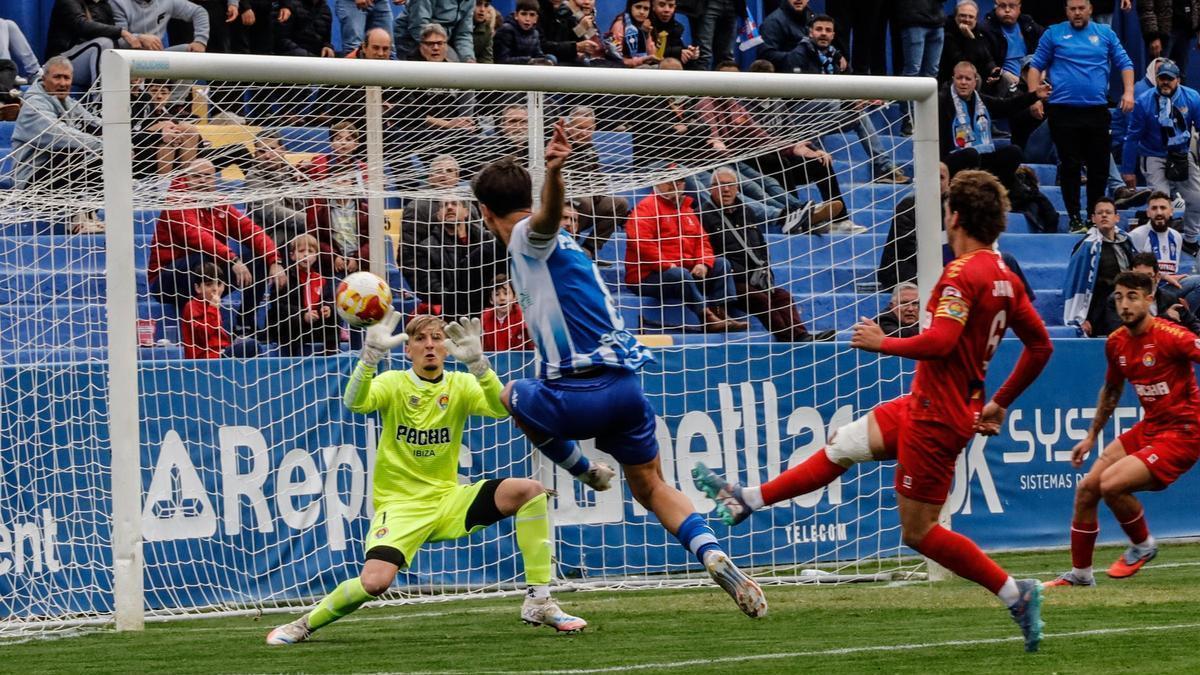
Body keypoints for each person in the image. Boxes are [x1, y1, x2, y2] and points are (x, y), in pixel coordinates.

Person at [693, 169, 1053, 651]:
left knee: (919, 533)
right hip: (936, 404)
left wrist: (884, 343)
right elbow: (1041, 346)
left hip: (936, 416)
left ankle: (1016, 593)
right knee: (844, 444)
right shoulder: (1006, 273)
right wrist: (998, 402)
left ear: (955, 216)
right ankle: (747, 500)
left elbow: (943, 341)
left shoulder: (963, 272)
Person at [471, 121, 768, 619]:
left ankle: (584, 471)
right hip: (625, 388)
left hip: (577, 393)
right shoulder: (567, 248)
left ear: (484, 212)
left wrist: (556, 173)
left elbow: (541, 220)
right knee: (650, 484)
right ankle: (712, 553)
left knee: (509, 397)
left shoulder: (528, 236)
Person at [266, 312, 587, 644]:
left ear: (448, 348)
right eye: (420, 339)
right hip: (401, 506)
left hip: (448, 500)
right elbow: (355, 403)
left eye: (437, 338)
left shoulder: (460, 384)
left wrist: (479, 365)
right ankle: (304, 624)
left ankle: (539, 600)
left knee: (529, 490)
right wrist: (368, 360)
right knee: (375, 583)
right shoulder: (393, 383)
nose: (430, 345)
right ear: (408, 350)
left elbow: (500, 408)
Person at [1046, 270, 1200, 588]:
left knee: (1110, 484)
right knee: (1088, 488)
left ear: (1149, 299)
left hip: (1184, 433)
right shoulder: (1116, 343)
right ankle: (1081, 575)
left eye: (1132, 296)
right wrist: (1090, 436)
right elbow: (1112, 391)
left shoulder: (1173, 336)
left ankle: (1143, 545)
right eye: (1119, 297)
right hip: (1150, 427)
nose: (1125, 304)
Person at [1027, 0, 1135, 233]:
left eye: (1081, 8)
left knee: (1098, 167)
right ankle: (1075, 218)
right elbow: (1035, 66)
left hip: (1096, 110)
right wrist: (1034, 98)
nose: (1077, 13)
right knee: (1070, 165)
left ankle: (1093, 217)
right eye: (1072, 9)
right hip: (1062, 111)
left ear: (1090, 9)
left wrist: (1128, 92)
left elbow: (1125, 63)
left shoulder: (1104, 33)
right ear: (1066, 10)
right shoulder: (1053, 33)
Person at [148, 159, 287, 335]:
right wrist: (233, 259)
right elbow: (196, 236)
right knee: (202, 259)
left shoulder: (219, 203)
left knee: (260, 260)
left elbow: (250, 230)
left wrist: (274, 260)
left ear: (215, 180)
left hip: (207, 274)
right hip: (167, 281)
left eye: (207, 177)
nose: (202, 181)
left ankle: (245, 323)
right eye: (196, 176)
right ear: (186, 178)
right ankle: (199, 322)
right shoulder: (176, 202)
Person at [700, 166, 835, 342]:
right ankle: (793, 337)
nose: (725, 189)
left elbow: (760, 245)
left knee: (783, 296)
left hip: (755, 278)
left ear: (738, 188)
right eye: (719, 185)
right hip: (731, 281)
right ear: (711, 189)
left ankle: (802, 334)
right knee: (760, 299)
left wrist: (766, 273)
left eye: (730, 185)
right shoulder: (703, 214)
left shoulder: (746, 211)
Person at [786, 14, 910, 185]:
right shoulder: (798, 55)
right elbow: (799, 93)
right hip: (798, 116)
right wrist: (845, 102)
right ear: (810, 33)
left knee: (858, 115)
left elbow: (848, 88)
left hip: (826, 115)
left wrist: (855, 101)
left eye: (828, 30)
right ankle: (807, 154)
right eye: (819, 29)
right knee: (832, 102)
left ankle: (884, 167)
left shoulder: (836, 58)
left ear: (833, 35)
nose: (823, 33)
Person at [625, 173, 749, 332]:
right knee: (679, 274)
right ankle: (706, 317)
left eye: (679, 181)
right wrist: (667, 265)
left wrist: (703, 262)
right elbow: (641, 243)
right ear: (658, 183)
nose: (674, 186)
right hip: (647, 277)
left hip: (682, 273)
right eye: (669, 182)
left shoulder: (686, 209)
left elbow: (702, 240)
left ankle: (721, 313)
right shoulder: (646, 207)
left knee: (721, 264)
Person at [9, 56, 103, 231]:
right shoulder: (34, 105)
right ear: (44, 79)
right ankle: (77, 219)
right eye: (57, 77)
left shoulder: (68, 103)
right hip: (31, 185)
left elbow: (96, 124)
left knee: (102, 146)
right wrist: (104, 145)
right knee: (78, 148)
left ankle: (88, 212)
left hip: (56, 179)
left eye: (66, 78)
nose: (62, 83)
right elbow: (60, 135)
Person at [1122, 60, 1200, 255]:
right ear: (1156, 79)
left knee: (1197, 198)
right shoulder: (1144, 101)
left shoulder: (1192, 97)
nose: (1165, 82)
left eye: (1169, 79)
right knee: (1161, 201)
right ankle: (1158, 242)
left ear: (1178, 80)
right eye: (1161, 78)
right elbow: (1132, 137)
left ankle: (1190, 239)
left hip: (1181, 153)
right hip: (1153, 154)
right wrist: (1127, 169)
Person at [939, 61, 1046, 189]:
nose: (963, 82)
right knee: (970, 154)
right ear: (953, 79)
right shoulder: (942, 102)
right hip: (953, 159)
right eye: (959, 78)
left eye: (968, 79)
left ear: (975, 81)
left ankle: (997, 190)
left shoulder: (981, 101)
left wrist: (1034, 96)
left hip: (980, 158)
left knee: (1014, 152)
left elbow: (1008, 106)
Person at [1063, 197, 1135, 337]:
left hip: (1127, 303)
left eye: (1108, 212)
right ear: (1093, 218)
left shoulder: (1126, 242)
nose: (1104, 215)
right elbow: (1076, 284)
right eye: (1100, 213)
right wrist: (1081, 318)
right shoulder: (1085, 247)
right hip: (1099, 310)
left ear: (1117, 218)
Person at [47, 0, 154, 90]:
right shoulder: (68, 1)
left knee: (139, 43)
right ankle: (99, 103)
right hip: (64, 60)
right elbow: (82, 26)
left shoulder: (103, 4)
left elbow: (114, 37)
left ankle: (139, 97)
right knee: (103, 44)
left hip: (95, 60)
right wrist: (122, 32)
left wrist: (139, 38)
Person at [267, 234, 341, 357]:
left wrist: (328, 308)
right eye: (301, 251)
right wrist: (302, 314)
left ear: (316, 256)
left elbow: (329, 298)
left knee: (334, 315)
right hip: (292, 326)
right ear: (292, 255)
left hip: (314, 324)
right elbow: (279, 306)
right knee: (288, 320)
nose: (306, 255)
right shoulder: (285, 277)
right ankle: (292, 357)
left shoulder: (320, 278)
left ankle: (331, 354)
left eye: (310, 251)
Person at [1127, 191, 1200, 309]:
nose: (1159, 212)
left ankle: (1181, 316)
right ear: (1148, 212)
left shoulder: (1176, 236)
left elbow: (1172, 270)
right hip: (1147, 290)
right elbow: (1133, 272)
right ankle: (1181, 316)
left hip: (1170, 288)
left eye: (1163, 208)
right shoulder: (1137, 235)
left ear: (1171, 211)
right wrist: (1165, 276)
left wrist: (1172, 278)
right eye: (1154, 208)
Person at [180, 261, 260, 359]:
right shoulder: (192, 306)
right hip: (205, 359)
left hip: (219, 354)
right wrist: (213, 309)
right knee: (252, 346)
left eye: (219, 284)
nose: (215, 289)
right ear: (198, 288)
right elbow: (203, 336)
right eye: (209, 285)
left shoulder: (212, 305)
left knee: (251, 345)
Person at [896, 0, 946, 134]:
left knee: (932, 75)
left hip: (937, 21)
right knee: (912, 72)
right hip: (913, 20)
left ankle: (927, 121)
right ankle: (909, 120)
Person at [1124, 252, 1200, 333]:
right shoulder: (1120, 301)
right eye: (1138, 276)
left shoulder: (1168, 297)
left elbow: (1192, 322)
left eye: (1148, 276)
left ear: (1157, 277)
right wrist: (1164, 317)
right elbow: (1127, 333)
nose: (1143, 281)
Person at [979, 0, 1045, 94]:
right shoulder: (986, 29)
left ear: (1019, 8)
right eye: (1002, 6)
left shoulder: (1027, 23)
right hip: (1003, 83)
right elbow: (986, 61)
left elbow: (1048, 38)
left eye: (1012, 6)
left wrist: (1044, 69)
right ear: (995, 6)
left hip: (1030, 77)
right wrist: (1003, 74)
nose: (1007, 10)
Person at [111, 0, 210, 53]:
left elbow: (198, 12)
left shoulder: (167, 1)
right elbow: (120, 40)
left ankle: (180, 92)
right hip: (129, 57)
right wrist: (139, 38)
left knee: (190, 51)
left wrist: (200, 41)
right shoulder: (117, 3)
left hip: (159, 57)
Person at [938, 0, 998, 88]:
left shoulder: (980, 31)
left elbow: (986, 57)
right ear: (955, 17)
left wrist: (993, 70)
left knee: (1003, 80)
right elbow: (964, 64)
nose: (966, 19)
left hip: (976, 74)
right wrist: (970, 39)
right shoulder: (947, 33)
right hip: (952, 79)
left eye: (971, 17)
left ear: (976, 20)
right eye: (962, 15)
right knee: (975, 79)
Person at [394, 0, 477, 62]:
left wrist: (468, 58)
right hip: (411, 41)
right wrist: (440, 48)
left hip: (442, 42)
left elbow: (463, 34)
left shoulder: (470, 1)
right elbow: (419, 25)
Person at [1138, 1, 1200, 83]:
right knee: (1159, 77)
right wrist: (1152, 36)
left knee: (1180, 77)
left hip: (1185, 30)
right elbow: (1146, 6)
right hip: (1162, 33)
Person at [481, 274, 533, 351]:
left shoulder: (524, 317)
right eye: (497, 294)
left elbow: (532, 349)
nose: (502, 298)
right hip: (494, 361)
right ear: (491, 300)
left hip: (520, 361)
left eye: (506, 293)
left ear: (515, 297)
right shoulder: (485, 318)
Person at [493, 0, 551, 64]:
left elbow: (538, 55)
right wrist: (529, 61)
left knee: (551, 58)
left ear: (536, 19)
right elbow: (502, 60)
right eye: (524, 14)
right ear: (516, 15)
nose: (527, 19)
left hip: (526, 72)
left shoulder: (535, 33)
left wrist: (545, 61)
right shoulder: (505, 30)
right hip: (506, 72)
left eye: (532, 15)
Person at [607, 0, 659, 67]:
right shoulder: (620, 25)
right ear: (630, 7)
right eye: (638, 7)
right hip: (621, 68)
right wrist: (642, 60)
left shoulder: (647, 24)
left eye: (646, 9)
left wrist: (646, 34)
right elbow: (617, 58)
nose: (642, 12)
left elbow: (653, 55)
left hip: (642, 65)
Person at [650, 0, 699, 66]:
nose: (667, 10)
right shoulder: (645, 26)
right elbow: (651, 54)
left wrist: (690, 54)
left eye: (671, 6)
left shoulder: (677, 27)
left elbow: (679, 50)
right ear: (652, 6)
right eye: (661, 5)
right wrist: (677, 52)